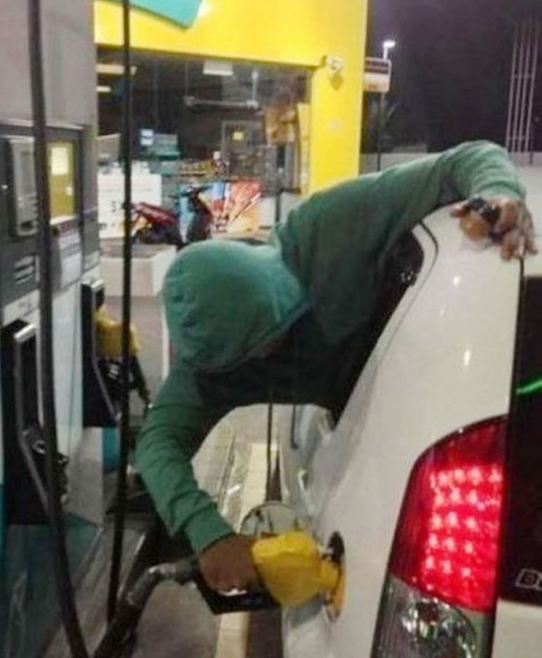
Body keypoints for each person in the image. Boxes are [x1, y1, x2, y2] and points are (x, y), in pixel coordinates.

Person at [136, 141, 536, 593]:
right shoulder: (215, 367)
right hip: (372, 437)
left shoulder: (331, 227)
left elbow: (464, 161)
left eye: (277, 332)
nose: (270, 354)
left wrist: (500, 193)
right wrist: (209, 533)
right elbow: (157, 444)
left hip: (440, 409)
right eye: (255, 353)